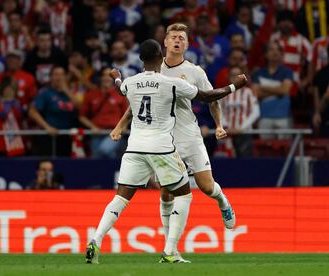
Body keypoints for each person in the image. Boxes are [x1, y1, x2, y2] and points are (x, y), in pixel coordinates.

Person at [86, 39, 247, 264]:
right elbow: (208, 96)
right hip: (161, 148)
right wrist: (234, 86)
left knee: (121, 198)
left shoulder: (131, 82)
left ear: (141, 60)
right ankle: (170, 250)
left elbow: (120, 88)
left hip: (134, 148)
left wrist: (116, 75)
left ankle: (96, 238)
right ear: (161, 58)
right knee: (184, 194)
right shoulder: (170, 83)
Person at [111, 23, 238, 236]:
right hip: (163, 139)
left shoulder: (194, 71)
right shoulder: (152, 70)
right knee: (167, 192)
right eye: (174, 37)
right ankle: (170, 245)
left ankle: (223, 202)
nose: (177, 41)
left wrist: (218, 126)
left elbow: (212, 99)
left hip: (189, 134)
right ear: (165, 42)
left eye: (182, 38)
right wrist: (120, 126)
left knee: (206, 187)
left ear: (187, 44)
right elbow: (137, 103)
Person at [28, 66, 79, 156]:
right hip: (50, 136)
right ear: (51, 77)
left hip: (67, 136)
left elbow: (80, 109)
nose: (59, 77)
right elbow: (32, 112)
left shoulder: (71, 93)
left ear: (66, 77)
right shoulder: (45, 92)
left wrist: (66, 90)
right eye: (56, 74)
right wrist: (47, 127)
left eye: (62, 74)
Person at [79, 67, 128, 159]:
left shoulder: (121, 93)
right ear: (100, 78)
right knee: (97, 160)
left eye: (109, 76)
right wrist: (92, 127)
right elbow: (82, 116)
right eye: (104, 75)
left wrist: (123, 127)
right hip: (97, 133)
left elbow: (127, 112)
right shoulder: (91, 94)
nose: (107, 78)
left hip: (114, 132)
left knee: (104, 150)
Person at [252, 41, 294, 140]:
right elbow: (255, 93)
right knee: (265, 149)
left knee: (285, 148)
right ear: (266, 54)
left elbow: (285, 90)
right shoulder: (258, 73)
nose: (275, 52)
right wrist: (278, 89)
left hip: (284, 116)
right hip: (264, 116)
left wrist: (262, 88)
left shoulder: (287, 72)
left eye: (278, 50)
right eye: (271, 49)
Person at [221, 66, 260, 157]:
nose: (235, 77)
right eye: (233, 75)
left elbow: (256, 112)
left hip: (245, 133)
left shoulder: (249, 92)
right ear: (229, 77)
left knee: (244, 162)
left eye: (238, 75)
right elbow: (219, 112)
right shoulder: (223, 93)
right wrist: (226, 126)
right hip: (228, 133)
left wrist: (241, 128)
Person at [0, 77, 25, 157]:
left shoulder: (17, 104)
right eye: (7, 89)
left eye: (12, 89)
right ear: (2, 89)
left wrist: (15, 104)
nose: (9, 92)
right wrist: (7, 103)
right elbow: (2, 115)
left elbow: (20, 117)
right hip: (0, 143)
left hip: (16, 143)